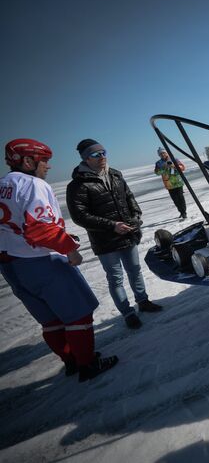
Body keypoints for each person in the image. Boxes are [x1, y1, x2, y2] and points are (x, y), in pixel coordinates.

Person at [0, 139, 118, 381]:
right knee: (78, 315)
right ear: (28, 161)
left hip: (10, 265)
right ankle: (87, 365)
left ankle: (71, 361)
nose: (48, 166)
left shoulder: (3, 185)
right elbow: (40, 229)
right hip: (40, 260)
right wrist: (70, 249)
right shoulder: (33, 185)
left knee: (50, 319)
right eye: (44, 160)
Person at [67, 139, 163, 330]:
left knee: (135, 270)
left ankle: (143, 301)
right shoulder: (78, 185)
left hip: (128, 233)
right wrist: (112, 226)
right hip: (106, 240)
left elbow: (129, 198)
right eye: (96, 154)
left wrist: (135, 218)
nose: (101, 157)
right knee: (116, 278)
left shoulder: (115, 175)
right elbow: (80, 216)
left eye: (103, 152)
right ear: (86, 158)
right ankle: (128, 313)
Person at [154, 148, 187, 219]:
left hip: (178, 182)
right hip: (169, 184)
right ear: (159, 155)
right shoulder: (158, 163)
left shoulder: (174, 159)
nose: (163, 154)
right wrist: (164, 167)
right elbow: (157, 172)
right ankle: (181, 211)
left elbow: (183, 168)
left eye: (164, 153)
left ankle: (184, 212)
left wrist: (174, 166)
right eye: (161, 154)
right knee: (175, 200)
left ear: (166, 153)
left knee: (180, 198)